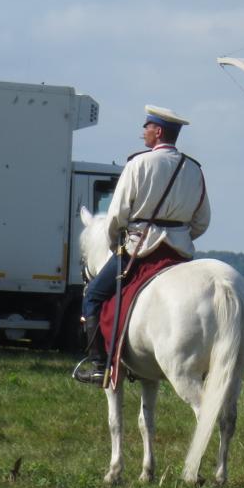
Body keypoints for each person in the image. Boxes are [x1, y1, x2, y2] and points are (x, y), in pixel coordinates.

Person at [73, 105, 210, 384]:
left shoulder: (138, 164)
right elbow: (202, 221)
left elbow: (117, 215)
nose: (142, 132)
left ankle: (101, 365)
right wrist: (181, 238)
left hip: (140, 248)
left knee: (94, 296)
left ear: (158, 132)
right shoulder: (194, 169)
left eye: (146, 127)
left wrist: (114, 243)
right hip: (179, 252)